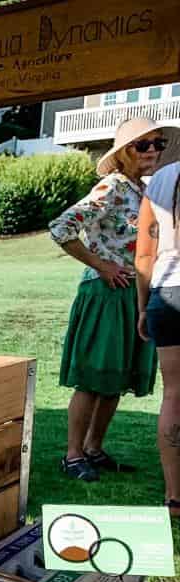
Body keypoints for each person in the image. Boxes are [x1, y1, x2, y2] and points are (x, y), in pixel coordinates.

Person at [49, 118, 171, 481]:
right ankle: (72, 455)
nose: (152, 151)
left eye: (157, 144)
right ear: (122, 154)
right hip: (106, 294)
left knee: (116, 377)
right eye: (142, 145)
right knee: (93, 377)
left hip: (131, 294)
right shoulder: (113, 186)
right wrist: (101, 265)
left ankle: (94, 448)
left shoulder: (142, 189)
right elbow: (61, 228)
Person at [136, 150, 180, 512]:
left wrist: (141, 306)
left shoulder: (161, 180)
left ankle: (174, 497)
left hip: (166, 292)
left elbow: (144, 256)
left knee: (174, 395)